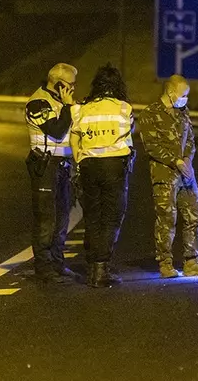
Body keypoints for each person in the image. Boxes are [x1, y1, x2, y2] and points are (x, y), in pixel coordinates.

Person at [137, 75, 198, 278]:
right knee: (166, 219)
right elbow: (151, 146)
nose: (185, 100)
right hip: (165, 175)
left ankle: (192, 262)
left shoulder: (183, 113)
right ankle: (165, 263)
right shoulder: (150, 114)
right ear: (171, 93)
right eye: (183, 95)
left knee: (196, 215)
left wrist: (188, 158)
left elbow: (190, 138)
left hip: (186, 175)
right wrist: (176, 161)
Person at [70, 64, 135, 287]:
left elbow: (74, 138)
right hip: (114, 166)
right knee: (112, 217)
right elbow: (129, 133)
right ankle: (101, 268)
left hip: (88, 165)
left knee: (92, 215)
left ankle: (92, 264)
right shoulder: (123, 108)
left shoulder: (82, 108)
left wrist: (79, 160)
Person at [24, 63, 78, 284]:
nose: (74, 89)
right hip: (45, 166)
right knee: (46, 219)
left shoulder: (61, 102)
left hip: (63, 166)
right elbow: (56, 132)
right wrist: (68, 107)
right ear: (58, 84)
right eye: (70, 85)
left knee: (63, 217)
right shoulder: (38, 103)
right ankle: (43, 267)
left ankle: (57, 262)